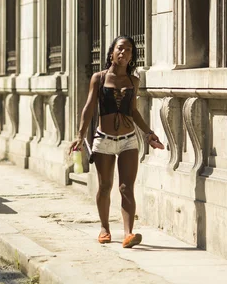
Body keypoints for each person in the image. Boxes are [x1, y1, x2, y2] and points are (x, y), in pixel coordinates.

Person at [69, 35, 164, 249]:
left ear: (132, 56)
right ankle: (104, 228)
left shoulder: (133, 81)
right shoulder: (99, 78)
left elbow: (133, 112)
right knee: (105, 186)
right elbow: (89, 108)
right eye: (120, 48)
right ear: (111, 52)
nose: (124, 52)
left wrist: (149, 133)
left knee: (126, 187)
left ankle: (128, 234)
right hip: (104, 140)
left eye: (128, 50)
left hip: (129, 140)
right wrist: (80, 135)